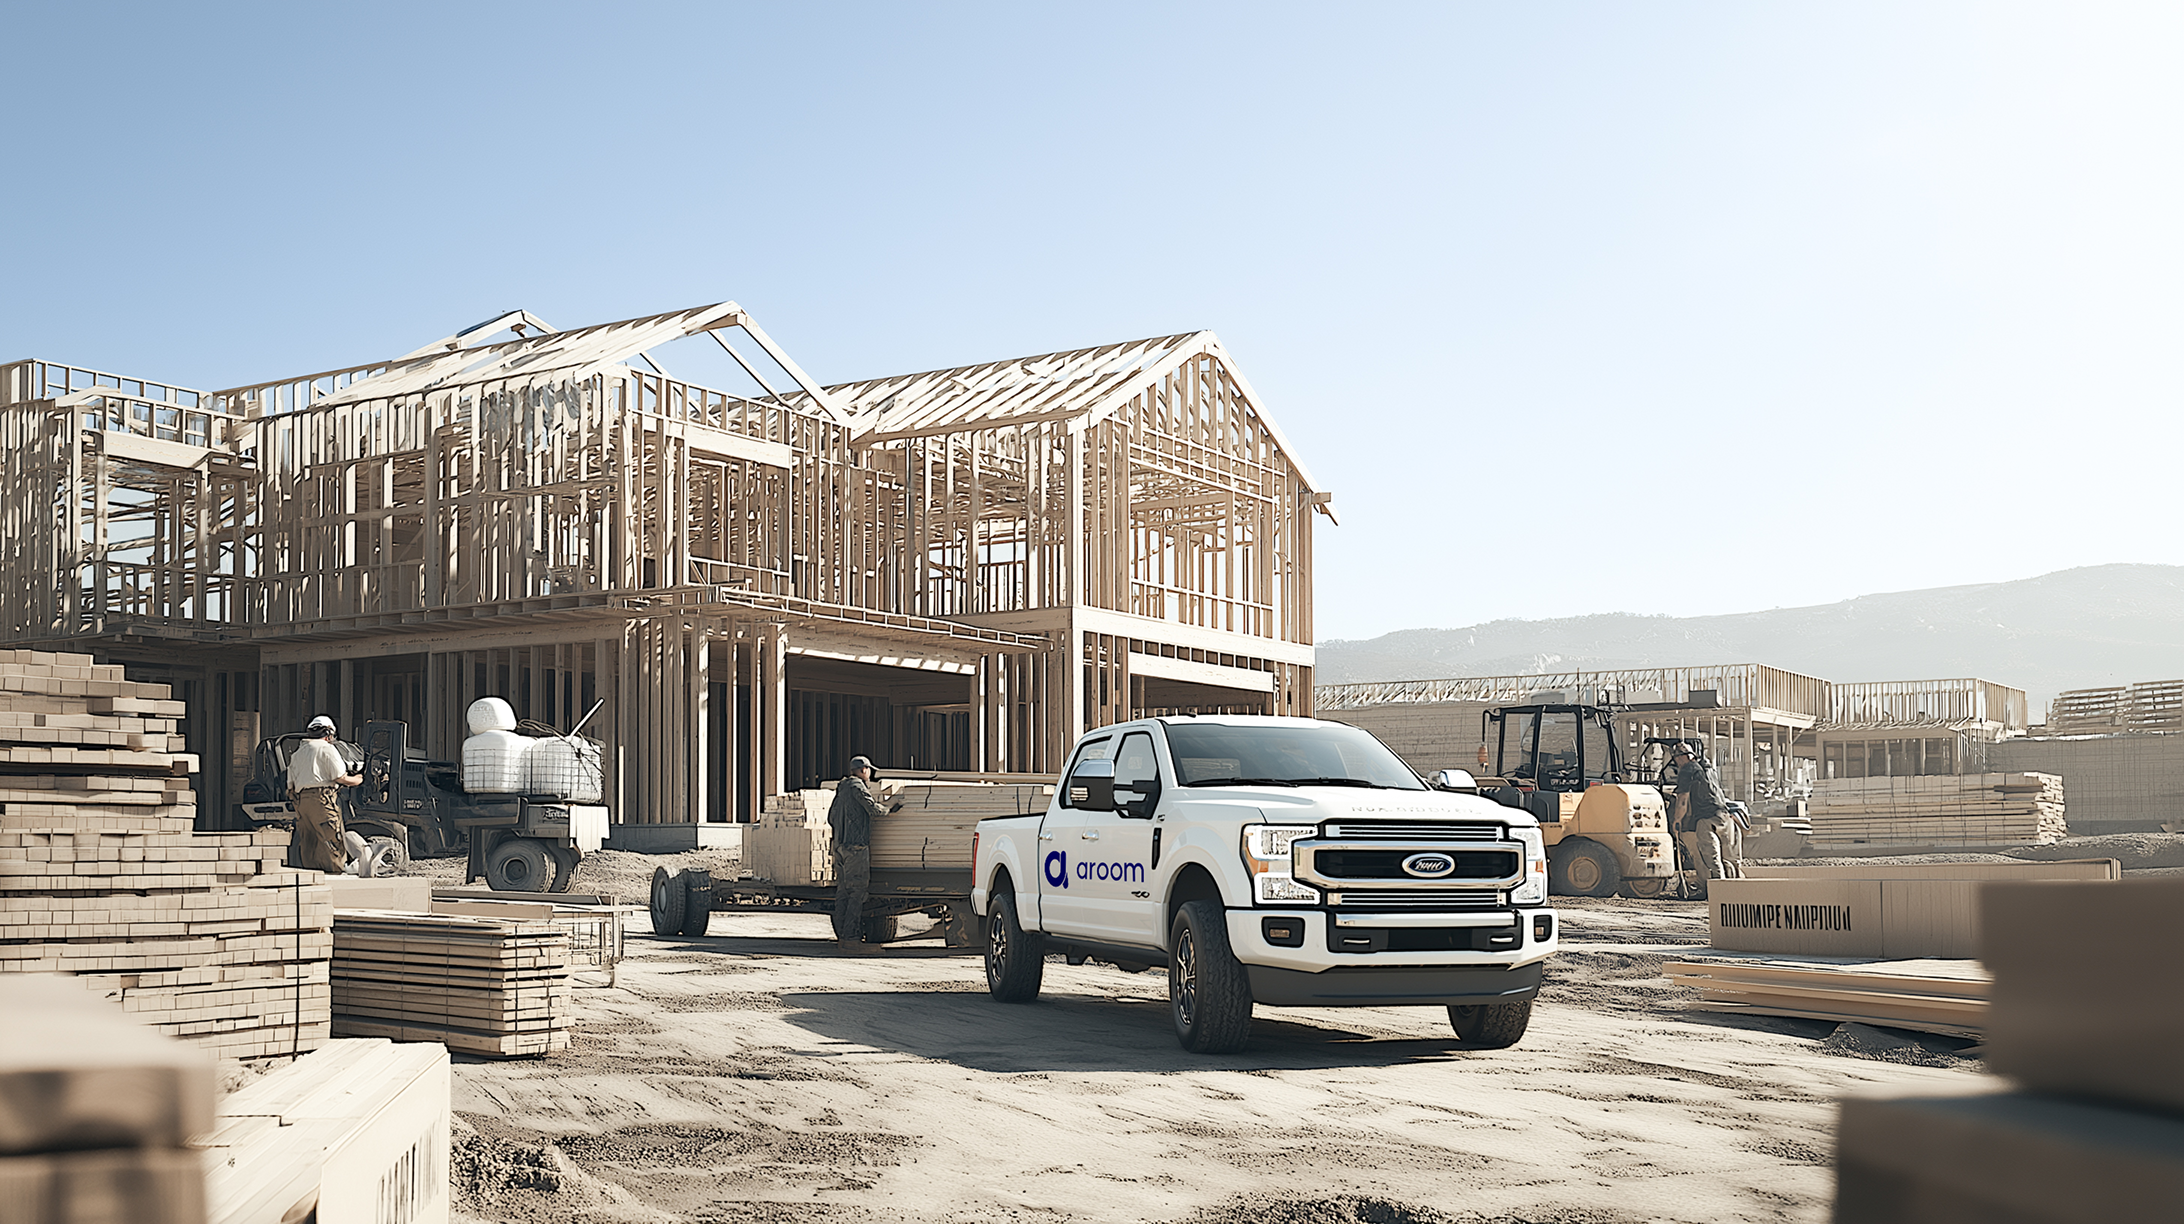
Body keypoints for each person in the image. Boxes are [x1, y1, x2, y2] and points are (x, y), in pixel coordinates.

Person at [827, 755, 895, 949]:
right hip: (855, 848)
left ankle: (842, 936)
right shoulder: (857, 787)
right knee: (857, 892)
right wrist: (890, 809)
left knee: (843, 892)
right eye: (869, 770)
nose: (870, 774)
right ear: (864, 769)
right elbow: (873, 809)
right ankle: (851, 937)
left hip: (839, 847)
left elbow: (831, 817)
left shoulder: (841, 789)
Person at [287, 716, 362, 875]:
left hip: (302, 802)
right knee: (332, 840)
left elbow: (290, 786)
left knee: (309, 843)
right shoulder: (327, 749)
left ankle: (311, 877)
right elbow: (340, 777)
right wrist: (358, 779)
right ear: (329, 734)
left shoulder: (297, 753)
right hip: (322, 800)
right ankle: (336, 874)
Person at [1670, 744, 1735, 895]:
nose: (1677, 763)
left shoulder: (1687, 770)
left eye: (1677, 759)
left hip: (1707, 818)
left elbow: (1682, 800)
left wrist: (1677, 820)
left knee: (1709, 856)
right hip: (1724, 816)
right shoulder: (1708, 768)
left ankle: (1719, 892)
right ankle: (1720, 887)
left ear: (1683, 757)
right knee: (1725, 857)